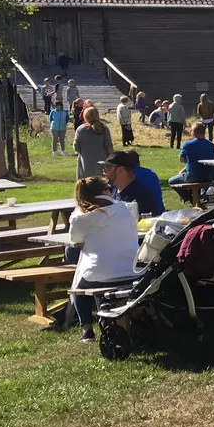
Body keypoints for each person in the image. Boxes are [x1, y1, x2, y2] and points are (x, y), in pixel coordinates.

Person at [65, 177, 139, 342]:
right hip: (131, 270)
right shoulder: (124, 209)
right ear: (105, 191)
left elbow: (75, 239)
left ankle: (86, 328)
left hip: (99, 275)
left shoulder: (80, 217)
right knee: (87, 266)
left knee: (78, 280)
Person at [102, 149, 165, 217]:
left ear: (120, 170)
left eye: (107, 167)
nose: (104, 171)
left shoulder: (140, 197)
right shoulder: (114, 189)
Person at [169, 123, 214, 201]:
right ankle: (195, 199)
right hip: (207, 176)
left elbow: (181, 159)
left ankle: (188, 198)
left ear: (193, 132)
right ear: (204, 132)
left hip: (193, 176)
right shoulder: (210, 145)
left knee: (172, 181)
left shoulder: (188, 144)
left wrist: (187, 161)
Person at [74, 106, 114, 180]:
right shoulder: (104, 128)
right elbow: (109, 146)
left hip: (86, 161)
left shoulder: (80, 129)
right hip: (102, 161)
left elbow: (76, 147)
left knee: (87, 183)